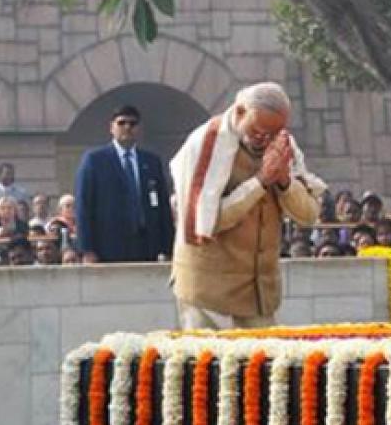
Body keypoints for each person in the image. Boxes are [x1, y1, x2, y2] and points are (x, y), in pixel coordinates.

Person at [169, 82, 327, 330]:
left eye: (272, 133)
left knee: (264, 365)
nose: (264, 139)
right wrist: (260, 182)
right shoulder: (204, 144)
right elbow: (207, 222)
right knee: (209, 366)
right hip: (208, 290)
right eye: (257, 131)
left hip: (259, 292)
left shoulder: (284, 146)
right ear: (240, 112)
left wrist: (284, 180)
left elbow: (308, 215)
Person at [75, 105, 175, 263]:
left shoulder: (151, 161)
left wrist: (168, 246)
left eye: (132, 124)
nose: (127, 127)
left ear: (139, 129)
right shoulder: (95, 160)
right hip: (108, 247)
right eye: (121, 123)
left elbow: (162, 205)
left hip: (147, 246)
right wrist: (87, 249)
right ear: (111, 127)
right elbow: (84, 206)